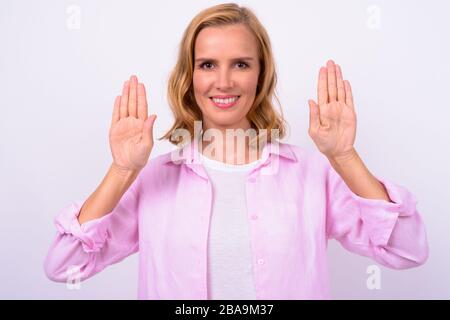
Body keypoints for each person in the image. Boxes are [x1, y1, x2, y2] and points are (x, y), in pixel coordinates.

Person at [44, 3, 428, 299]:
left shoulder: (313, 173)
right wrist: (122, 171)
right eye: (207, 64)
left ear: (260, 76)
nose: (223, 82)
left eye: (241, 64)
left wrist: (345, 158)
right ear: (190, 76)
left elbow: (408, 251)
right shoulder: (154, 179)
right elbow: (65, 266)